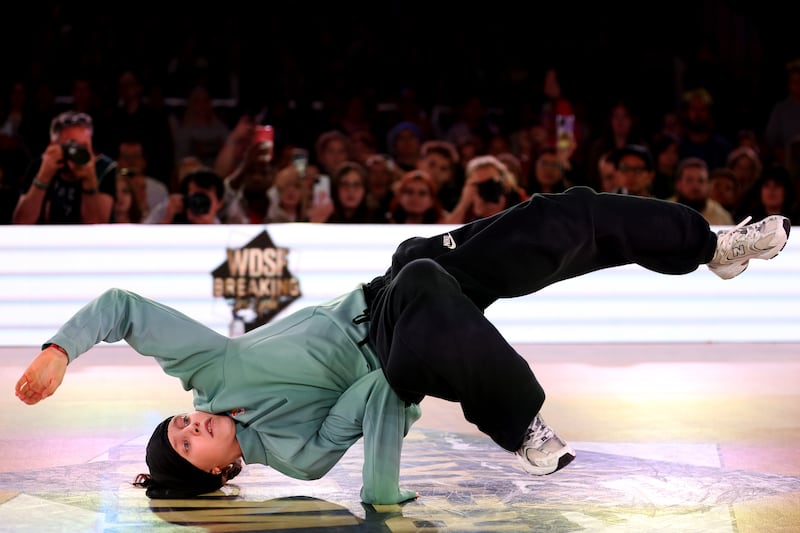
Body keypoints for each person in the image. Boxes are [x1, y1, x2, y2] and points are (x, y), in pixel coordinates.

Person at [15, 187, 791, 504]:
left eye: (179, 424)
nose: (191, 427)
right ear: (222, 471)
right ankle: (521, 422)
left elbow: (122, 306)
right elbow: (381, 406)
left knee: (560, 218)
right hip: (404, 344)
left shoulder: (206, 370)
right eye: (189, 447)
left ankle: (710, 244)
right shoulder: (297, 455)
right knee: (421, 287)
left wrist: (61, 347)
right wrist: (384, 496)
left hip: (396, 288)